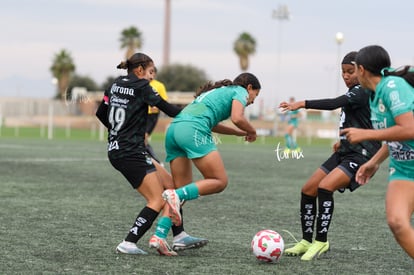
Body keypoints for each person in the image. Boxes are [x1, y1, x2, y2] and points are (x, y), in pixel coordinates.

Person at [95, 52, 201, 256]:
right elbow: (170, 110)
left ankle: (179, 236)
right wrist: (198, 110)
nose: (152, 76)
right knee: (158, 200)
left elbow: (101, 113)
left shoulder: (115, 84)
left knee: (172, 188)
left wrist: (118, 130)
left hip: (122, 148)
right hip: (130, 152)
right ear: (140, 69)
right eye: (151, 71)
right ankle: (129, 242)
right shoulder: (142, 87)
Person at [278, 51, 382, 260]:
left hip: (361, 155)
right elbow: (358, 121)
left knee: (325, 187)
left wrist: (303, 103)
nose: (345, 76)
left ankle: (321, 241)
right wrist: (341, 141)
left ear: (361, 71)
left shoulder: (361, 91)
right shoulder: (355, 92)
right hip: (345, 151)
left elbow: (334, 103)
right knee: (308, 190)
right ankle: (306, 240)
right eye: (342, 72)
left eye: (350, 72)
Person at [160, 73, 260, 243]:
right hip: (192, 130)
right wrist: (252, 131)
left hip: (174, 130)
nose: (252, 101)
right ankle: (174, 194)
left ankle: (159, 237)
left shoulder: (219, 92)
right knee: (219, 181)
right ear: (249, 87)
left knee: (182, 193)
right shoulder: (240, 91)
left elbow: (211, 123)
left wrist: (239, 133)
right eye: (255, 96)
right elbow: (237, 117)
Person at [341, 45, 414, 259]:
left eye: (353, 70)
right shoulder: (373, 95)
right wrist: (374, 162)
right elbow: (395, 135)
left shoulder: (392, 86)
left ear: (361, 70)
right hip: (403, 169)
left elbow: (409, 128)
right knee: (397, 222)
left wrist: (365, 135)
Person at [146, 67, 168, 164]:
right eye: (149, 72)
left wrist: (157, 107)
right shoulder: (141, 84)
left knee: (143, 137)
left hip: (152, 116)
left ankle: (155, 161)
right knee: (142, 139)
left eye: (152, 72)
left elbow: (164, 101)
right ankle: (152, 160)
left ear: (155, 74)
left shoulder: (159, 85)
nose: (151, 74)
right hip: (140, 115)